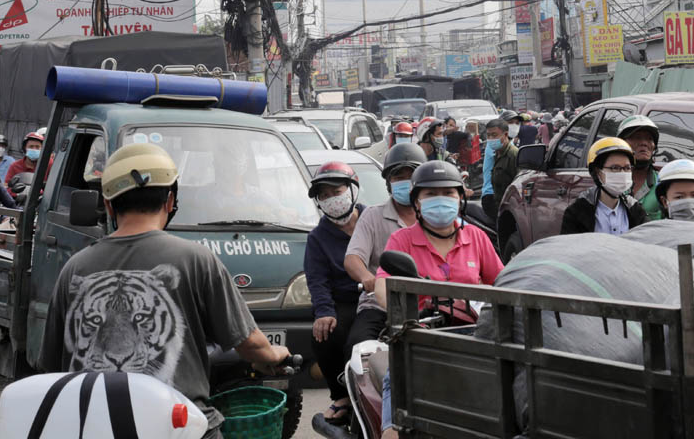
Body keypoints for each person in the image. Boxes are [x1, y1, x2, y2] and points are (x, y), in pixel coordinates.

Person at [40, 143, 291, 439]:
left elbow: (52, 364)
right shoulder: (197, 259)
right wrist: (274, 354)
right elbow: (249, 344)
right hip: (179, 424)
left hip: (94, 423)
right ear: (170, 200)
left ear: (108, 205)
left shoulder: (75, 268)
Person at [375, 160, 504, 439]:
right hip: (420, 337)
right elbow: (383, 283)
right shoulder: (401, 240)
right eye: (430, 194)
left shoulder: (477, 237)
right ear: (417, 203)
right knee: (396, 376)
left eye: (448, 193)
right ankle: (388, 428)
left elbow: (501, 283)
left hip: (473, 335)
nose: (440, 200)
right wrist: (398, 314)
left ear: (460, 198)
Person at [342, 142, 424, 363]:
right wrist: (367, 277)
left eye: (412, 175)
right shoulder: (372, 216)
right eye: (398, 177)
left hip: (428, 304)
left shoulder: (437, 220)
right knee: (359, 352)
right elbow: (353, 258)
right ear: (388, 183)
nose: (405, 183)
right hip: (379, 305)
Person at [304, 161, 365, 426]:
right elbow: (318, 281)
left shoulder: (373, 219)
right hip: (345, 300)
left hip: (381, 295)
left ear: (353, 190)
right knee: (326, 333)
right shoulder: (318, 237)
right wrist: (325, 312)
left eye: (337, 192)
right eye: (324, 196)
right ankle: (341, 395)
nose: (331, 200)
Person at [560, 137, 647, 236]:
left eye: (627, 168)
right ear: (598, 173)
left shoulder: (635, 210)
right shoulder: (578, 212)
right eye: (615, 168)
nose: (622, 173)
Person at [617, 115, 663, 220]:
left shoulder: (662, 184)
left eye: (649, 139)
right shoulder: (611, 182)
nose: (644, 143)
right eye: (637, 137)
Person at [481, 118, 517, 224]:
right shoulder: (496, 151)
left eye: (494, 135)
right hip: (493, 200)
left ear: (505, 135)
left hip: (506, 203)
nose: (491, 139)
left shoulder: (513, 154)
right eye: (488, 135)